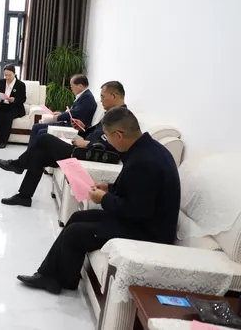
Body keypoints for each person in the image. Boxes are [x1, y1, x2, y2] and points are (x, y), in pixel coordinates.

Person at [16, 107, 181, 294]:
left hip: (148, 231)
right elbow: (137, 190)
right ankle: (52, 276)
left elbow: (136, 211)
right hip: (142, 220)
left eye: (107, 136)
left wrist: (104, 199)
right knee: (78, 217)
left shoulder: (144, 161)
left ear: (119, 135)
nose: (107, 141)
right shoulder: (146, 149)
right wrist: (109, 188)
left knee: (75, 233)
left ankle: (58, 279)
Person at [0, 81, 127, 207]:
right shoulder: (113, 114)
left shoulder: (122, 118)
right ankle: (24, 197)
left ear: (113, 96)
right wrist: (83, 129)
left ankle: (19, 164)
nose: (101, 100)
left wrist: (87, 144)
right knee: (39, 155)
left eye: (103, 96)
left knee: (44, 138)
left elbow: (116, 147)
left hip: (90, 154)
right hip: (85, 149)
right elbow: (97, 135)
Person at [28, 74, 97, 149]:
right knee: (36, 127)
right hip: (68, 124)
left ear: (80, 86)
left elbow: (74, 113)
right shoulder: (84, 96)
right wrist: (61, 113)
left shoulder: (87, 98)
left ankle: (34, 152)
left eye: (72, 85)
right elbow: (74, 111)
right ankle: (31, 152)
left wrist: (57, 117)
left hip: (73, 128)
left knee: (41, 131)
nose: (71, 88)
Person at [0, 65, 27, 148]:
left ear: (14, 74)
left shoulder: (21, 85)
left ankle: (3, 141)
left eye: (9, 75)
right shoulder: (2, 82)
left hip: (15, 107)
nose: (7, 77)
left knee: (7, 118)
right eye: (5, 75)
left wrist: (14, 99)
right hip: (4, 105)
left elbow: (23, 99)